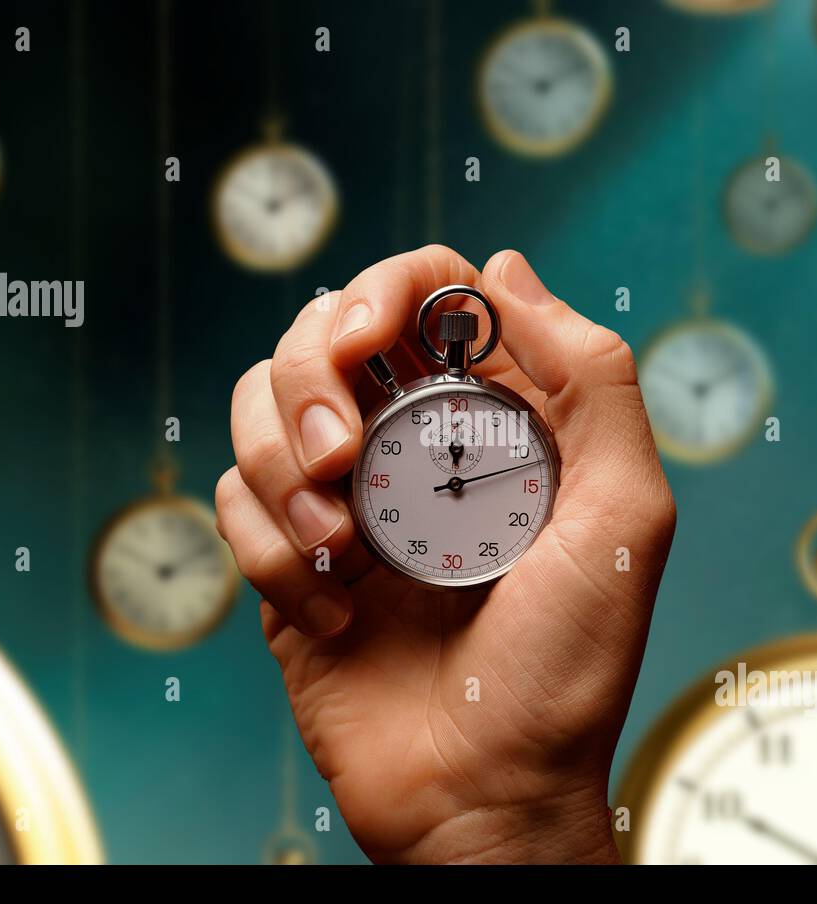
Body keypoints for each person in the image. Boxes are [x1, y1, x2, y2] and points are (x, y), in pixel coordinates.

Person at [216, 245, 676, 863]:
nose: (455, 482)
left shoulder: (528, 439)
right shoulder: (396, 511)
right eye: (445, 477)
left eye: (468, 476)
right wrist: (481, 823)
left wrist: (507, 818)